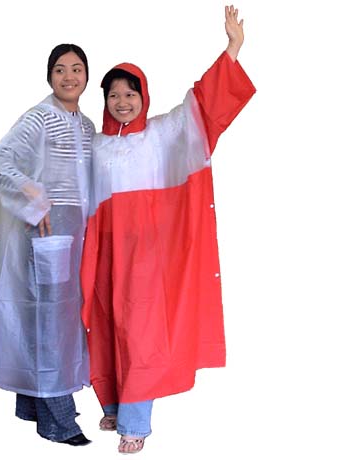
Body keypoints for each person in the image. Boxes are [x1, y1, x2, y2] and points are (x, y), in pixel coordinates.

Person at [80, 6, 256, 454]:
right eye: (114, 95)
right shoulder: (95, 146)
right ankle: (113, 404)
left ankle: (135, 422)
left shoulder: (162, 134)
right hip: (104, 254)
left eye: (130, 93)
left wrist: (232, 50)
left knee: (141, 335)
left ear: (144, 96)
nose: (122, 102)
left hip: (147, 260)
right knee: (103, 325)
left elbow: (203, 107)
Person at [0, 44, 94, 446]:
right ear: (49, 76)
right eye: (60, 69)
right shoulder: (40, 117)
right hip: (46, 235)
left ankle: (34, 405)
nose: (69, 77)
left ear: (86, 75)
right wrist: (33, 193)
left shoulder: (85, 125)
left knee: (61, 317)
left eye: (77, 69)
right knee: (51, 321)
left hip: (75, 233)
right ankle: (58, 422)